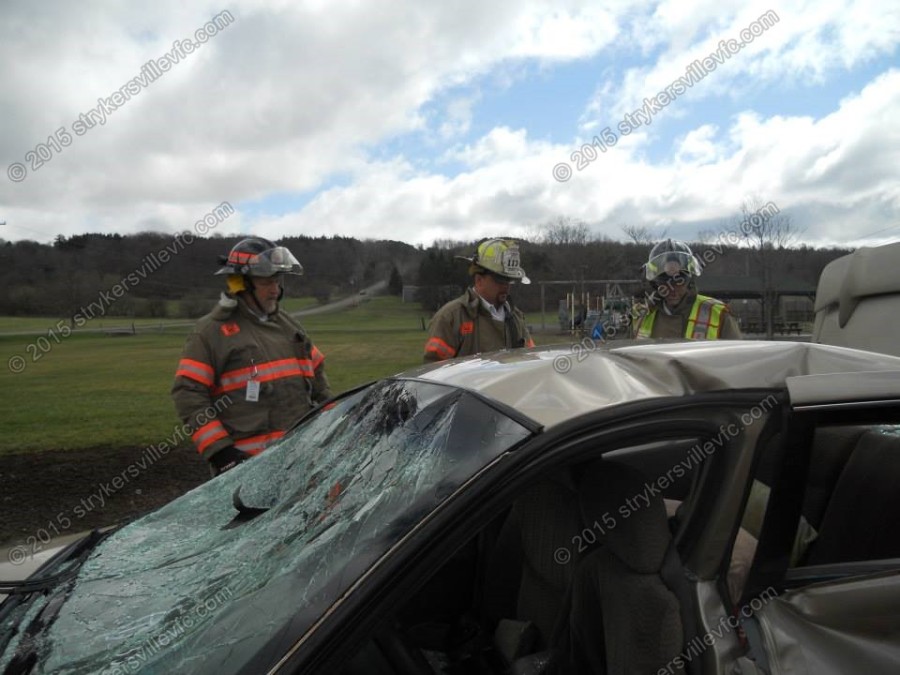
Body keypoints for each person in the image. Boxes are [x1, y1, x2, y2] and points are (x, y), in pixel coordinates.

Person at [172, 237, 332, 475]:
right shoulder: (211, 333)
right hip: (247, 471)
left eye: (278, 279)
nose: (275, 289)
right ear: (241, 283)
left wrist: (337, 422)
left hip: (302, 461)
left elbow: (318, 381)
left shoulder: (290, 327)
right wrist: (221, 453)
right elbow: (188, 394)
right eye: (266, 280)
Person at [424, 238, 535, 362]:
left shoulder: (516, 317)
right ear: (479, 281)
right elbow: (433, 371)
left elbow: (529, 360)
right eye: (500, 280)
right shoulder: (451, 317)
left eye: (509, 280)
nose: (506, 286)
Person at [633, 239, 742, 340]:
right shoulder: (639, 315)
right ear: (655, 284)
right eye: (665, 284)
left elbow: (736, 357)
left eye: (679, 282)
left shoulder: (719, 315)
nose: (673, 289)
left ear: (689, 281)